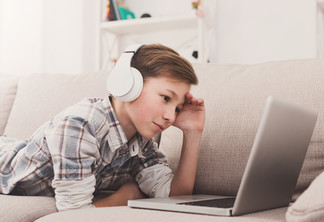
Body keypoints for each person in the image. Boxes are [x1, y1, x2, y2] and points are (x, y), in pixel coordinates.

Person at [0, 44, 205, 211]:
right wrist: (126, 197)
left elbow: (175, 197)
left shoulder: (141, 144)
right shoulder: (79, 126)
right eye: (165, 98)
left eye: (177, 108)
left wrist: (193, 132)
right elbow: (74, 216)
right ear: (127, 84)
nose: (170, 117)